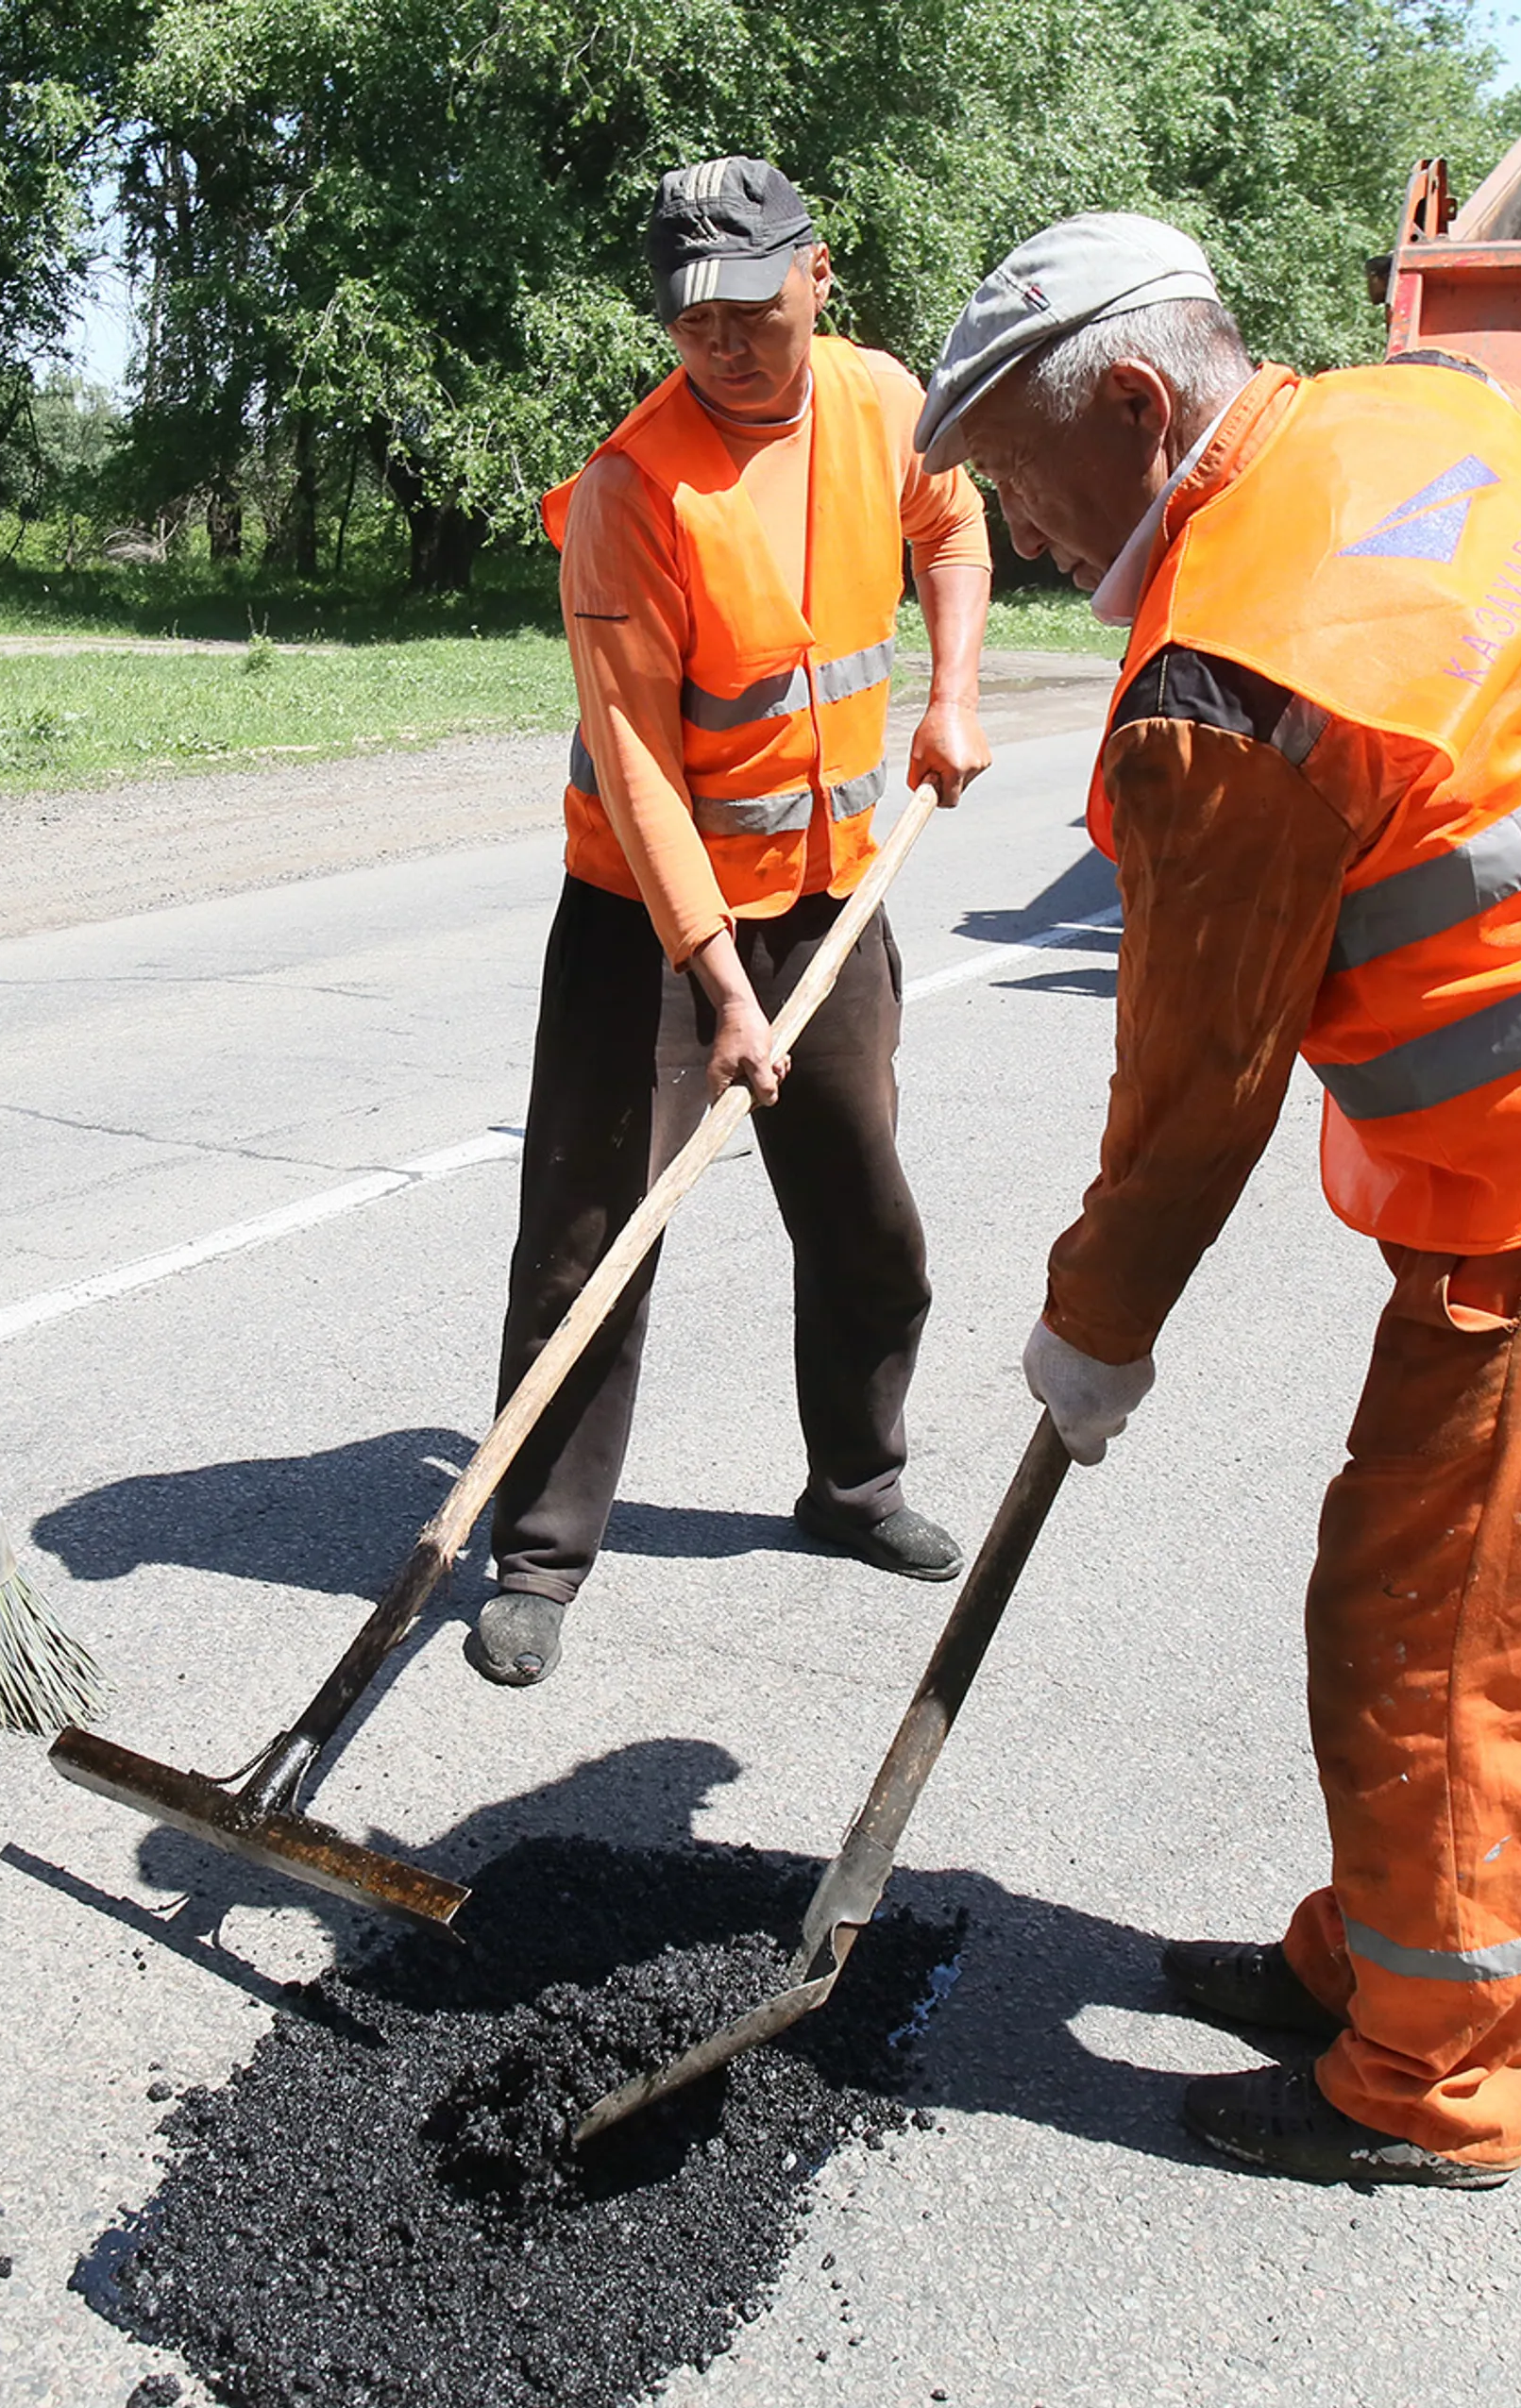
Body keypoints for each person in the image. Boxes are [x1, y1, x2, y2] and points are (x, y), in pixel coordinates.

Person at [916, 216, 1521, 2188]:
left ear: (1139, 406)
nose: (1028, 537)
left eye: (1030, 486)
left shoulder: (1227, 693)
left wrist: (1090, 1334)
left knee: (1451, 1636)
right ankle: (1368, 1952)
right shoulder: (1410, 415)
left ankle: (1438, 2076)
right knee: (1397, 1576)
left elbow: (1191, 1102)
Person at [470, 158, 993, 1690]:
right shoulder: (634, 488)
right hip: (647, 920)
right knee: (590, 1238)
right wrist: (716, 983)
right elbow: (632, 759)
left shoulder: (889, 399)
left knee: (864, 1212)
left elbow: (952, 527)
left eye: (755, 314)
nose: (726, 348)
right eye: (695, 324)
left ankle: (856, 1484)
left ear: (816, 277)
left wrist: (953, 691)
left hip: (831, 892)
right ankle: (539, 1554)